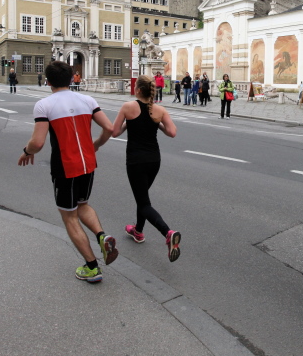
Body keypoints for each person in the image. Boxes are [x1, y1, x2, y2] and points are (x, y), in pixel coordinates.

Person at [17, 61, 118, 283]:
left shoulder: (44, 105)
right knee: (83, 204)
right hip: (87, 163)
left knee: (69, 217)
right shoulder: (88, 100)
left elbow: (38, 142)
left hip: (64, 166)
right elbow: (110, 128)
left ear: (48, 81)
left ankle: (92, 268)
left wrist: (26, 152)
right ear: (72, 78)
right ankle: (102, 237)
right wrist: (96, 145)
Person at [112, 75, 182, 262]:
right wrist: (157, 124)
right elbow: (172, 132)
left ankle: (168, 233)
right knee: (142, 197)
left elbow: (115, 132)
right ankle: (138, 231)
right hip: (154, 160)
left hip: (136, 161)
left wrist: (129, 123)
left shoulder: (127, 107)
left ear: (137, 90)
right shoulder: (159, 110)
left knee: (143, 202)